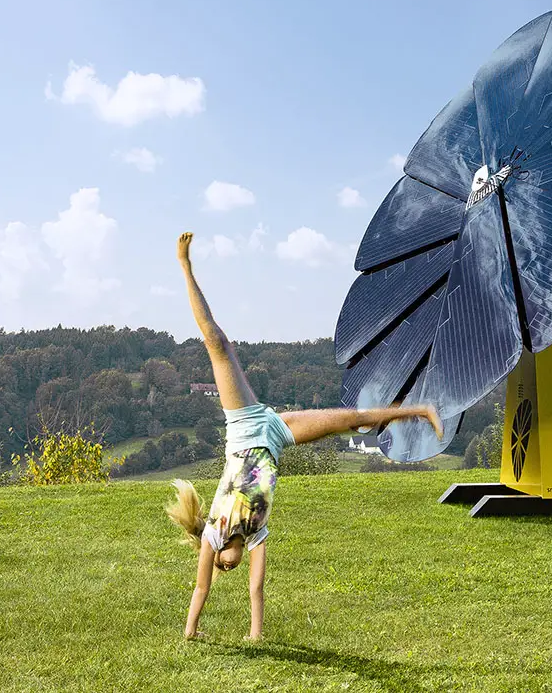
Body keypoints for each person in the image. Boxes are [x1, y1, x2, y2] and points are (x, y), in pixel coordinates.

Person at [165, 232, 443, 642]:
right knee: (351, 420)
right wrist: (255, 636)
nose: (227, 567)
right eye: (227, 568)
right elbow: (257, 588)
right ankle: (420, 409)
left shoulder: (214, 531)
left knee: (217, 342)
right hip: (276, 435)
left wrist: (191, 631)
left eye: (220, 564)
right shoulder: (256, 533)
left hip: (243, 426)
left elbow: (200, 587)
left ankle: (184, 266)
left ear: (217, 553)